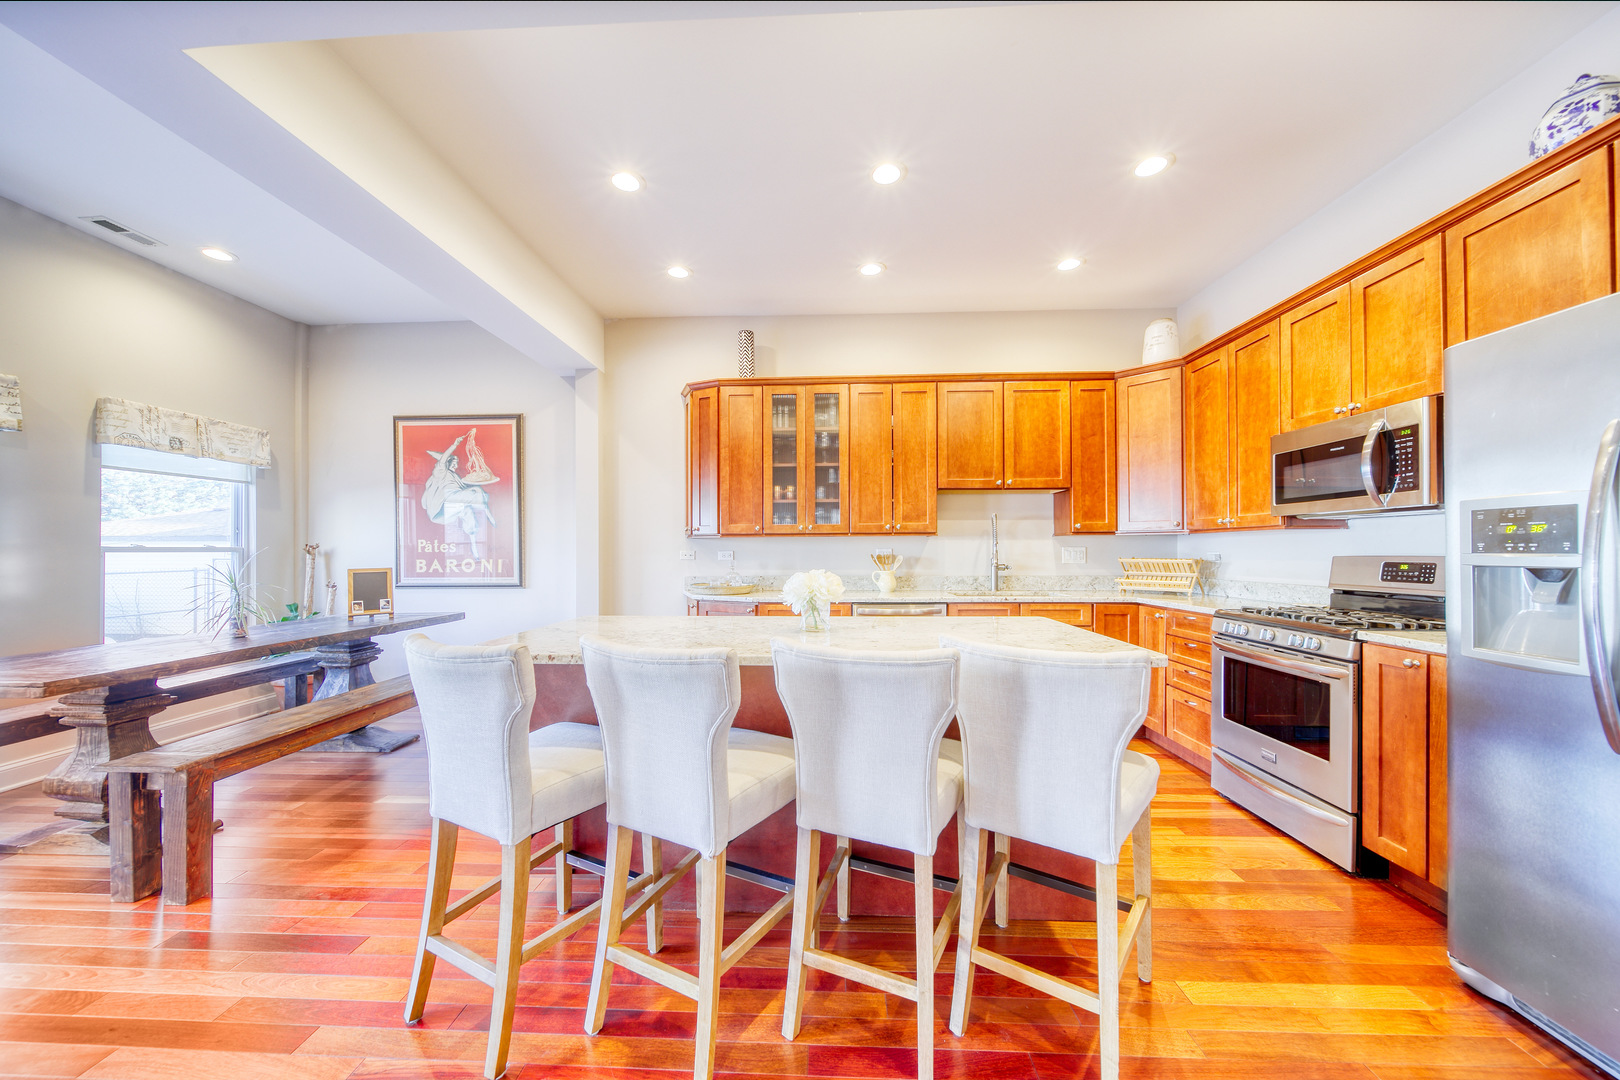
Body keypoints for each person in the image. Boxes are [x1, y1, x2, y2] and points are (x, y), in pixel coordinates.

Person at [422, 431, 497, 558]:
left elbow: (463, 489)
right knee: (477, 491)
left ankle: (474, 546)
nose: (456, 465)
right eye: (454, 463)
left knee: (468, 512)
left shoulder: (454, 476)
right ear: (447, 463)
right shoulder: (441, 472)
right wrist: (454, 445)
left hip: (452, 505)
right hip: (445, 503)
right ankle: (489, 515)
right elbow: (443, 460)